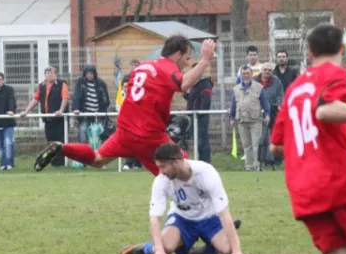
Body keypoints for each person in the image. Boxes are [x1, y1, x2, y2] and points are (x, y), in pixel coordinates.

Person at [32, 35, 216, 176]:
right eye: (186, 58)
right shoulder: (167, 68)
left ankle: (62, 148)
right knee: (185, 171)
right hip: (148, 135)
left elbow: (151, 92)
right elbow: (183, 83)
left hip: (125, 131)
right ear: (177, 55)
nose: (186, 63)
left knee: (97, 159)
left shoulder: (143, 67)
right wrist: (205, 60)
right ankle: (212, 219)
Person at [270, 24, 346, 254]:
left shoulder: (294, 89)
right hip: (338, 182)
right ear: (343, 50)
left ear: (309, 52)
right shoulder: (332, 73)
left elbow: (276, 146)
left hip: (305, 192)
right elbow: (325, 111)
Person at [119, 143, 250, 254]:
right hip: (182, 218)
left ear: (176, 162)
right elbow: (155, 218)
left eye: (163, 167)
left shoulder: (206, 173)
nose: (160, 172)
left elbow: (224, 212)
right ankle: (144, 248)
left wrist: (237, 253)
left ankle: (203, 250)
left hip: (209, 218)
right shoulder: (161, 181)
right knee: (166, 248)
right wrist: (159, 252)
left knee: (228, 250)